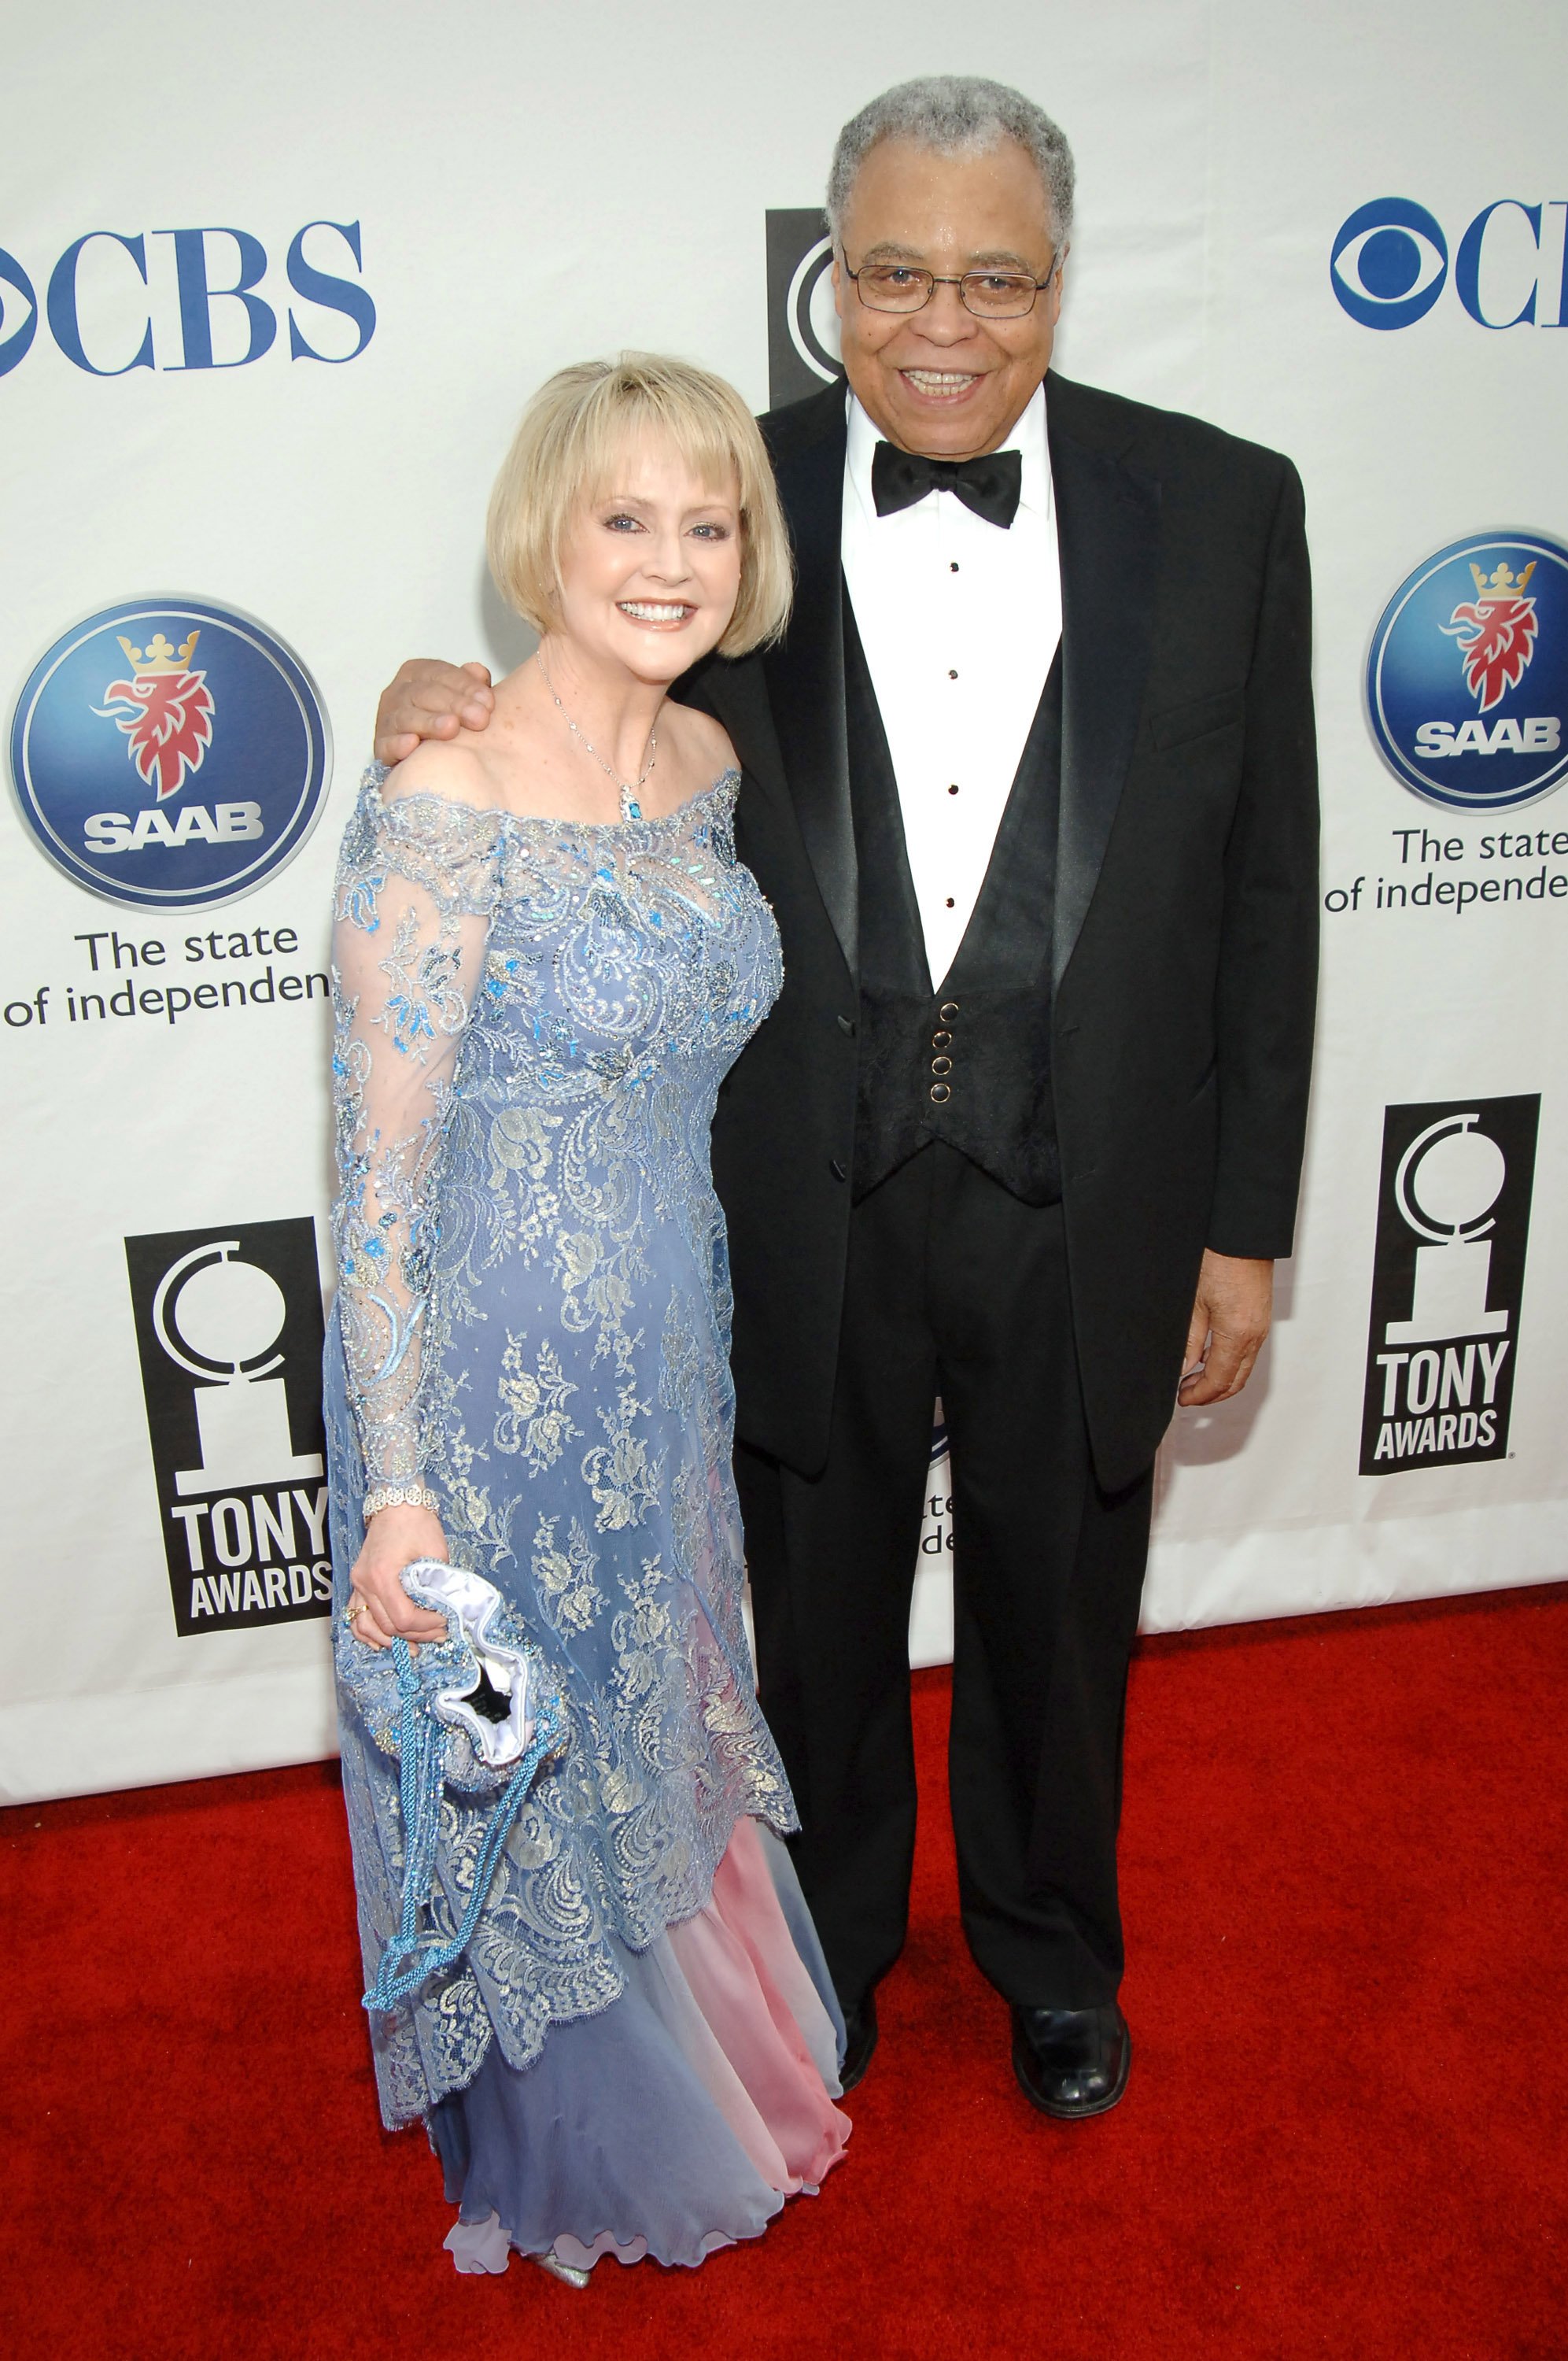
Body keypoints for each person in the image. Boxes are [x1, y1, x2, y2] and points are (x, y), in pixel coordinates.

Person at [374, 76, 1319, 2123]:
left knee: (1067, 1622)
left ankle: (1055, 1957)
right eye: (895, 271)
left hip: (1095, 1191)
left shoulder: (1229, 503)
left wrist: (1245, 1218)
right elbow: (577, 694)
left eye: (996, 274)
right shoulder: (738, 505)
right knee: (809, 1618)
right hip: (796, 1189)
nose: (944, 320)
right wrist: (419, 695)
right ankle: (828, 1949)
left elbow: (1264, 887)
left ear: (1062, 279)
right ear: (831, 275)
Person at [327, 353, 848, 2285]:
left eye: (707, 522)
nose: (672, 558)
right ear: (542, 534)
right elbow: (376, 1181)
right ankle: (580, 2130)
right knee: (519, 1738)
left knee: (649, 1711)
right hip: (478, 1367)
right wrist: (398, 1496)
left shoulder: (709, 768)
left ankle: (710, 2049)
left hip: (662, 1337)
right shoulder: (443, 793)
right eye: (625, 516)